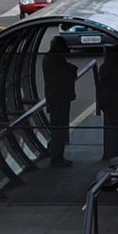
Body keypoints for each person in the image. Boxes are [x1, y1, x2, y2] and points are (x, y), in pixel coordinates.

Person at [42, 36, 77, 167]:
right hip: (59, 98)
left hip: (55, 97)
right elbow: (68, 72)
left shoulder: (49, 58)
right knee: (59, 128)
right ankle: (57, 157)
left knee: (58, 127)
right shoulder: (55, 60)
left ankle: (57, 155)